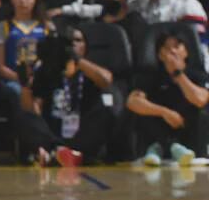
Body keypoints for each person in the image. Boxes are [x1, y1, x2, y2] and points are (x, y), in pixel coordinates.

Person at [16, 29, 115, 167]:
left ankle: (62, 154)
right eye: (68, 42)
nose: (73, 45)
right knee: (25, 116)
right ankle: (60, 152)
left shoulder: (91, 71)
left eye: (78, 41)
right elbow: (34, 111)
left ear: (86, 46)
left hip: (82, 136)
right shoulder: (46, 72)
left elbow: (106, 80)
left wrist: (76, 58)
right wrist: (25, 86)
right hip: (53, 136)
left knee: (106, 111)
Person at [127, 31, 209, 166]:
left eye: (177, 46)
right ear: (160, 55)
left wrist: (177, 74)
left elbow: (200, 100)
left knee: (203, 112)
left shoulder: (198, 75)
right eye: (167, 47)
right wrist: (164, 112)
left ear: (186, 52)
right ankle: (169, 147)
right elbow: (132, 102)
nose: (172, 51)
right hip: (160, 128)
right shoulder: (150, 75)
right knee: (142, 110)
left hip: (187, 129)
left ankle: (165, 148)